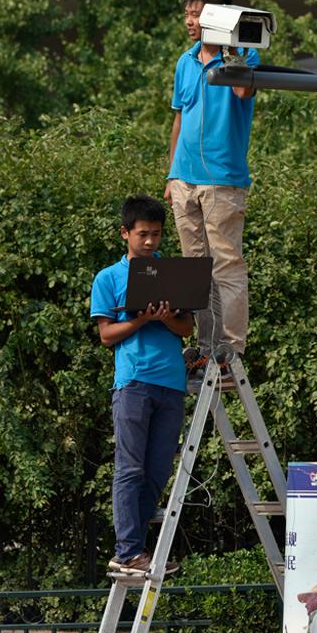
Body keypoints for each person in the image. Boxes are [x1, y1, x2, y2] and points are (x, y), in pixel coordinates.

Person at [90, 195, 193, 573]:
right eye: (143, 234)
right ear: (125, 233)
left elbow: (186, 327)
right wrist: (140, 320)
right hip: (133, 383)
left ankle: (136, 550)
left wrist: (165, 318)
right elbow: (106, 335)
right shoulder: (108, 278)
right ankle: (128, 550)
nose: (150, 242)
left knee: (158, 471)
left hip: (172, 383)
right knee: (130, 469)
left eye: (157, 235)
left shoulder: (173, 273)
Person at [164, 0, 259, 371]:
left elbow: (241, 91)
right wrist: (171, 175)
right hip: (184, 179)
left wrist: (231, 50)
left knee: (226, 264)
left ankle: (231, 347)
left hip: (222, 179)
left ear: (219, 17)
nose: (190, 20)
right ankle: (206, 346)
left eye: (199, 13)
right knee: (194, 267)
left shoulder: (244, 56)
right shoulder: (184, 61)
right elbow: (179, 117)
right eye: (187, 13)